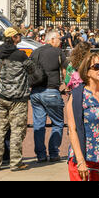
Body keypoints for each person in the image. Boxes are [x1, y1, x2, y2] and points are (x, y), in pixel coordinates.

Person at [0, 27, 36, 171]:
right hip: (18, 98)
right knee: (17, 131)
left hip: (3, 96)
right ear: (14, 38)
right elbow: (32, 70)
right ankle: (15, 162)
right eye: (18, 35)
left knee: (0, 131)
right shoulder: (20, 55)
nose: (20, 37)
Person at [67, 51, 99, 181]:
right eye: (97, 67)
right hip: (82, 158)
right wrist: (80, 161)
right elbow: (72, 129)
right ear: (87, 71)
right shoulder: (78, 95)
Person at [30, 30, 68, 163]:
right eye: (59, 39)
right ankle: (53, 153)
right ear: (51, 40)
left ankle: (40, 155)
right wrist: (66, 86)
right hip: (51, 91)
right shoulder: (58, 52)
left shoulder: (35, 52)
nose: (61, 41)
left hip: (35, 92)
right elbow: (65, 71)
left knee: (38, 125)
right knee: (57, 123)